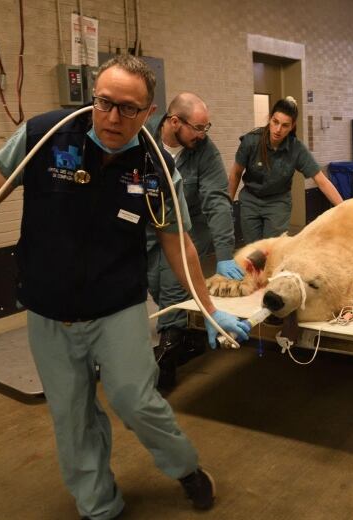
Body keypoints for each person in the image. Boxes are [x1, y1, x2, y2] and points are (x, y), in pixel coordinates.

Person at [0, 54, 250, 519]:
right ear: (92, 97)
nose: (112, 117)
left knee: (136, 400)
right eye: (104, 103)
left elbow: (176, 241)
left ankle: (185, 469)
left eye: (128, 109)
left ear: (149, 112)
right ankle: (100, 507)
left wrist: (208, 308)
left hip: (115, 306)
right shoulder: (44, 136)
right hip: (48, 308)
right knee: (72, 416)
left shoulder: (156, 165)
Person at [146, 92, 243, 389]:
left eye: (206, 128)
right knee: (157, 283)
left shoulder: (205, 152)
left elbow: (217, 200)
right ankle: (187, 335)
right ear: (174, 122)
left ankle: (167, 358)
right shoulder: (142, 137)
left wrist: (225, 253)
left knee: (174, 281)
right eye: (198, 128)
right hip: (148, 226)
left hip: (190, 227)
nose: (203, 135)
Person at [228, 96, 344, 244]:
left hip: (278, 202)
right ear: (270, 119)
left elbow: (321, 181)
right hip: (251, 200)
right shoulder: (251, 141)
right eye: (275, 122)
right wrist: (227, 205)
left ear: (292, 126)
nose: (278, 129)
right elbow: (236, 173)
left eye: (285, 125)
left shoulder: (296, 149)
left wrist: (344, 209)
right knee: (253, 250)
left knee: (272, 249)